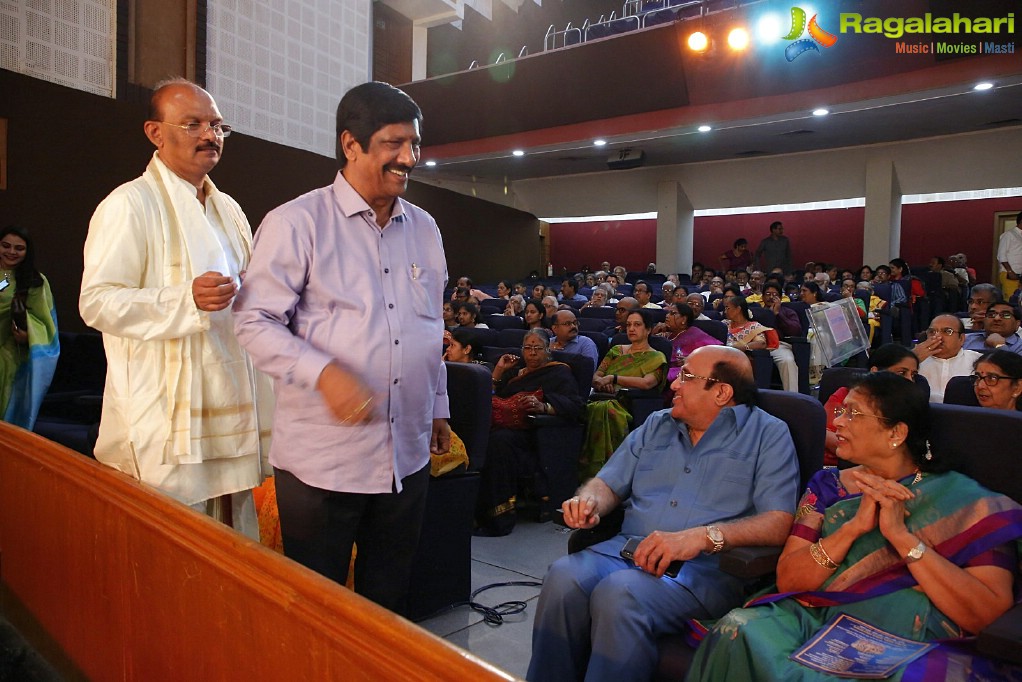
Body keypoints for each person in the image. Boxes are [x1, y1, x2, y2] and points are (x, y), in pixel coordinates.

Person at [233, 81, 450, 615]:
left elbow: (428, 326)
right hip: (323, 465)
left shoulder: (424, 228)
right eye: (394, 144)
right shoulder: (297, 223)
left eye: (415, 145)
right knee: (317, 609)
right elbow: (255, 321)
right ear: (351, 145)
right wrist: (325, 373)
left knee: (388, 602)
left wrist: (439, 407)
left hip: (407, 453)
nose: (409, 158)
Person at [688, 372, 1022, 681]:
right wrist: (853, 529)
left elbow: (987, 612)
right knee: (741, 629)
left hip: (912, 632)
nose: (838, 421)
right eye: (841, 412)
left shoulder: (967, 501)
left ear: (896, 433)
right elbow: (790, 579)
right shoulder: (828, 486)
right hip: (820, 615)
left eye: (853, 413)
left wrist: (901, 537)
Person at [528, 346, 799, 682]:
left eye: (686, 376)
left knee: (619, 594)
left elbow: (778, 521)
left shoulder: (768, 435)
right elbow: (608, 483)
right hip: (626, 549)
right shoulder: (658, 424)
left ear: (722, 392)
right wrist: (589, 501)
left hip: (701, 572)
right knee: (562, 576)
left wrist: (701, 537)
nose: (673, 384)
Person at [80, 79, 271, 535]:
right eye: (193, 124)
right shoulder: (130, 204)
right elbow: (97, 302)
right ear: (155, 132)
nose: (210, 135)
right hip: (168, 418)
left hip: (231, 401)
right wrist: (184, 298)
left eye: (217, 125)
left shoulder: (229, 209)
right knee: (173, 550)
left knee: (233, 545)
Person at [475, 330, 585, 536]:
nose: (532, 353)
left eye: (537, 348)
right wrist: (498, 370)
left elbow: (576, 406)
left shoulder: (559, 372)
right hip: (503, 425)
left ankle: (499, 518)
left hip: (537, 434)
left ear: (548, 350)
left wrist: (544, 407)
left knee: (499, 442)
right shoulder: (515, 372)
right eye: (527, 348)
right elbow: (490, 397)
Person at [579, 310, 667, 479]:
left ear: (648, 329)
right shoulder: (616, 350)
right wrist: (601, 383)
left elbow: (647, 383)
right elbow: (597, 375)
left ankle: (612, 475)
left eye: (637, 325)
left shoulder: (656, 356)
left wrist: (614, 378)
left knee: (608, 410)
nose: (631, 329)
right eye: (628, 325)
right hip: (601, 397)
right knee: (590, 409)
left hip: (630, 403)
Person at [0, 225, 59, 429]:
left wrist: (28, 334)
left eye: (19, 248)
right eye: (6, 246)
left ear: (27, 251)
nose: (11, 252)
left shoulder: (35, 282)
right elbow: (3, 287)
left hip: (11, 358)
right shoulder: (5, 279)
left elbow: (44, 322)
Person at [822, 344, 920, 465]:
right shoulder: (848, 396)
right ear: (875, 371)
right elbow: (824, 434)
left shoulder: (911, 405)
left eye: (913, 375)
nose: (909, 380)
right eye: (901, 373)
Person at [723, 295, 799, 392]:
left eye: (727, 308)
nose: (725, 312)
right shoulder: (724, 324)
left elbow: (761, 343)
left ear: (738, 309)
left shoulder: (753, 326)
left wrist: (742, 347)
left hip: (743, 358)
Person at [915, 314, 982, 403]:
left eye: (947, 331)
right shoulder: (915, 360)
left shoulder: (978, 360)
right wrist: (913, 358)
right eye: (932, 332)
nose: (937, 337)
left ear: (961, 339)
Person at [655, 302, 721, 384]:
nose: (667, 316)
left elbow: (718, 353)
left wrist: (691, 360)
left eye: (673, 313)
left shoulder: (695, 334)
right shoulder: (663, 336)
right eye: (668, 313)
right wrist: (652, 334)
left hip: (684, 373)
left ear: (684, 319)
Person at [996, 212, 1022, 298]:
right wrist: (1010, 271)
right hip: (1010, 274)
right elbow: (1001, 255)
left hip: (1020, 274)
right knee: (1011, 300)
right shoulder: (1009, 235)